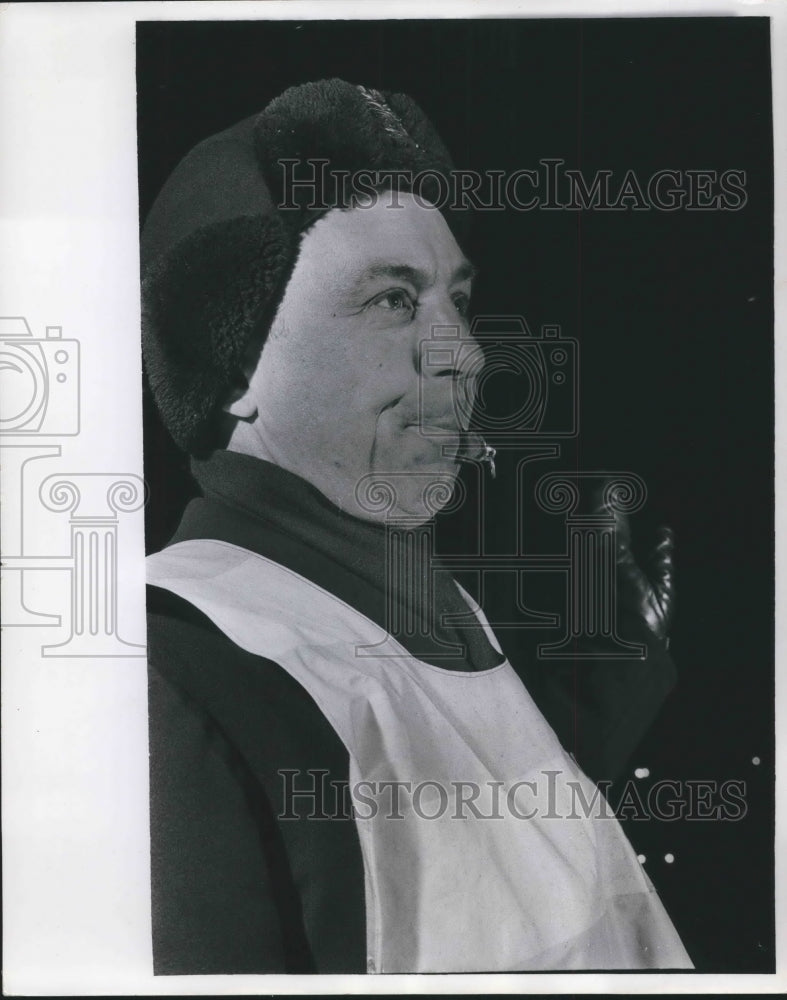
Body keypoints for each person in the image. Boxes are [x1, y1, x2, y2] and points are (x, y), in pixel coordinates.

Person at [141, 78, 693, 974]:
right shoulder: (173, 670)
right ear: (235, 366)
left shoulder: (430, 604)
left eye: (456, 300)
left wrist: (601, 705)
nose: (466, 352)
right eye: (393, 299)